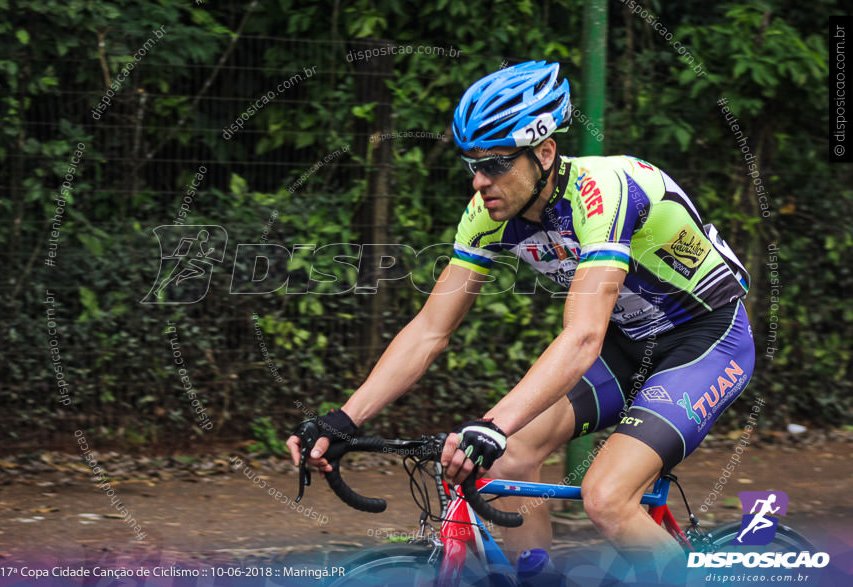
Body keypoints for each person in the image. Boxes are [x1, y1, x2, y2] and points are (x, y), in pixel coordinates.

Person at [287, 60, 755, 577]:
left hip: (705, 339)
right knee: (508, 458)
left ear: (545, 152)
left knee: (606, 498)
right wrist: (344, 419)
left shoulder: (604, 192)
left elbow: (581, 338)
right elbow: (429, 330)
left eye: (496, 164)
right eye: (473, 165)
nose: (480, 182)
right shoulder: (487, 214)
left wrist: (492, 425)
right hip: (628, 345)